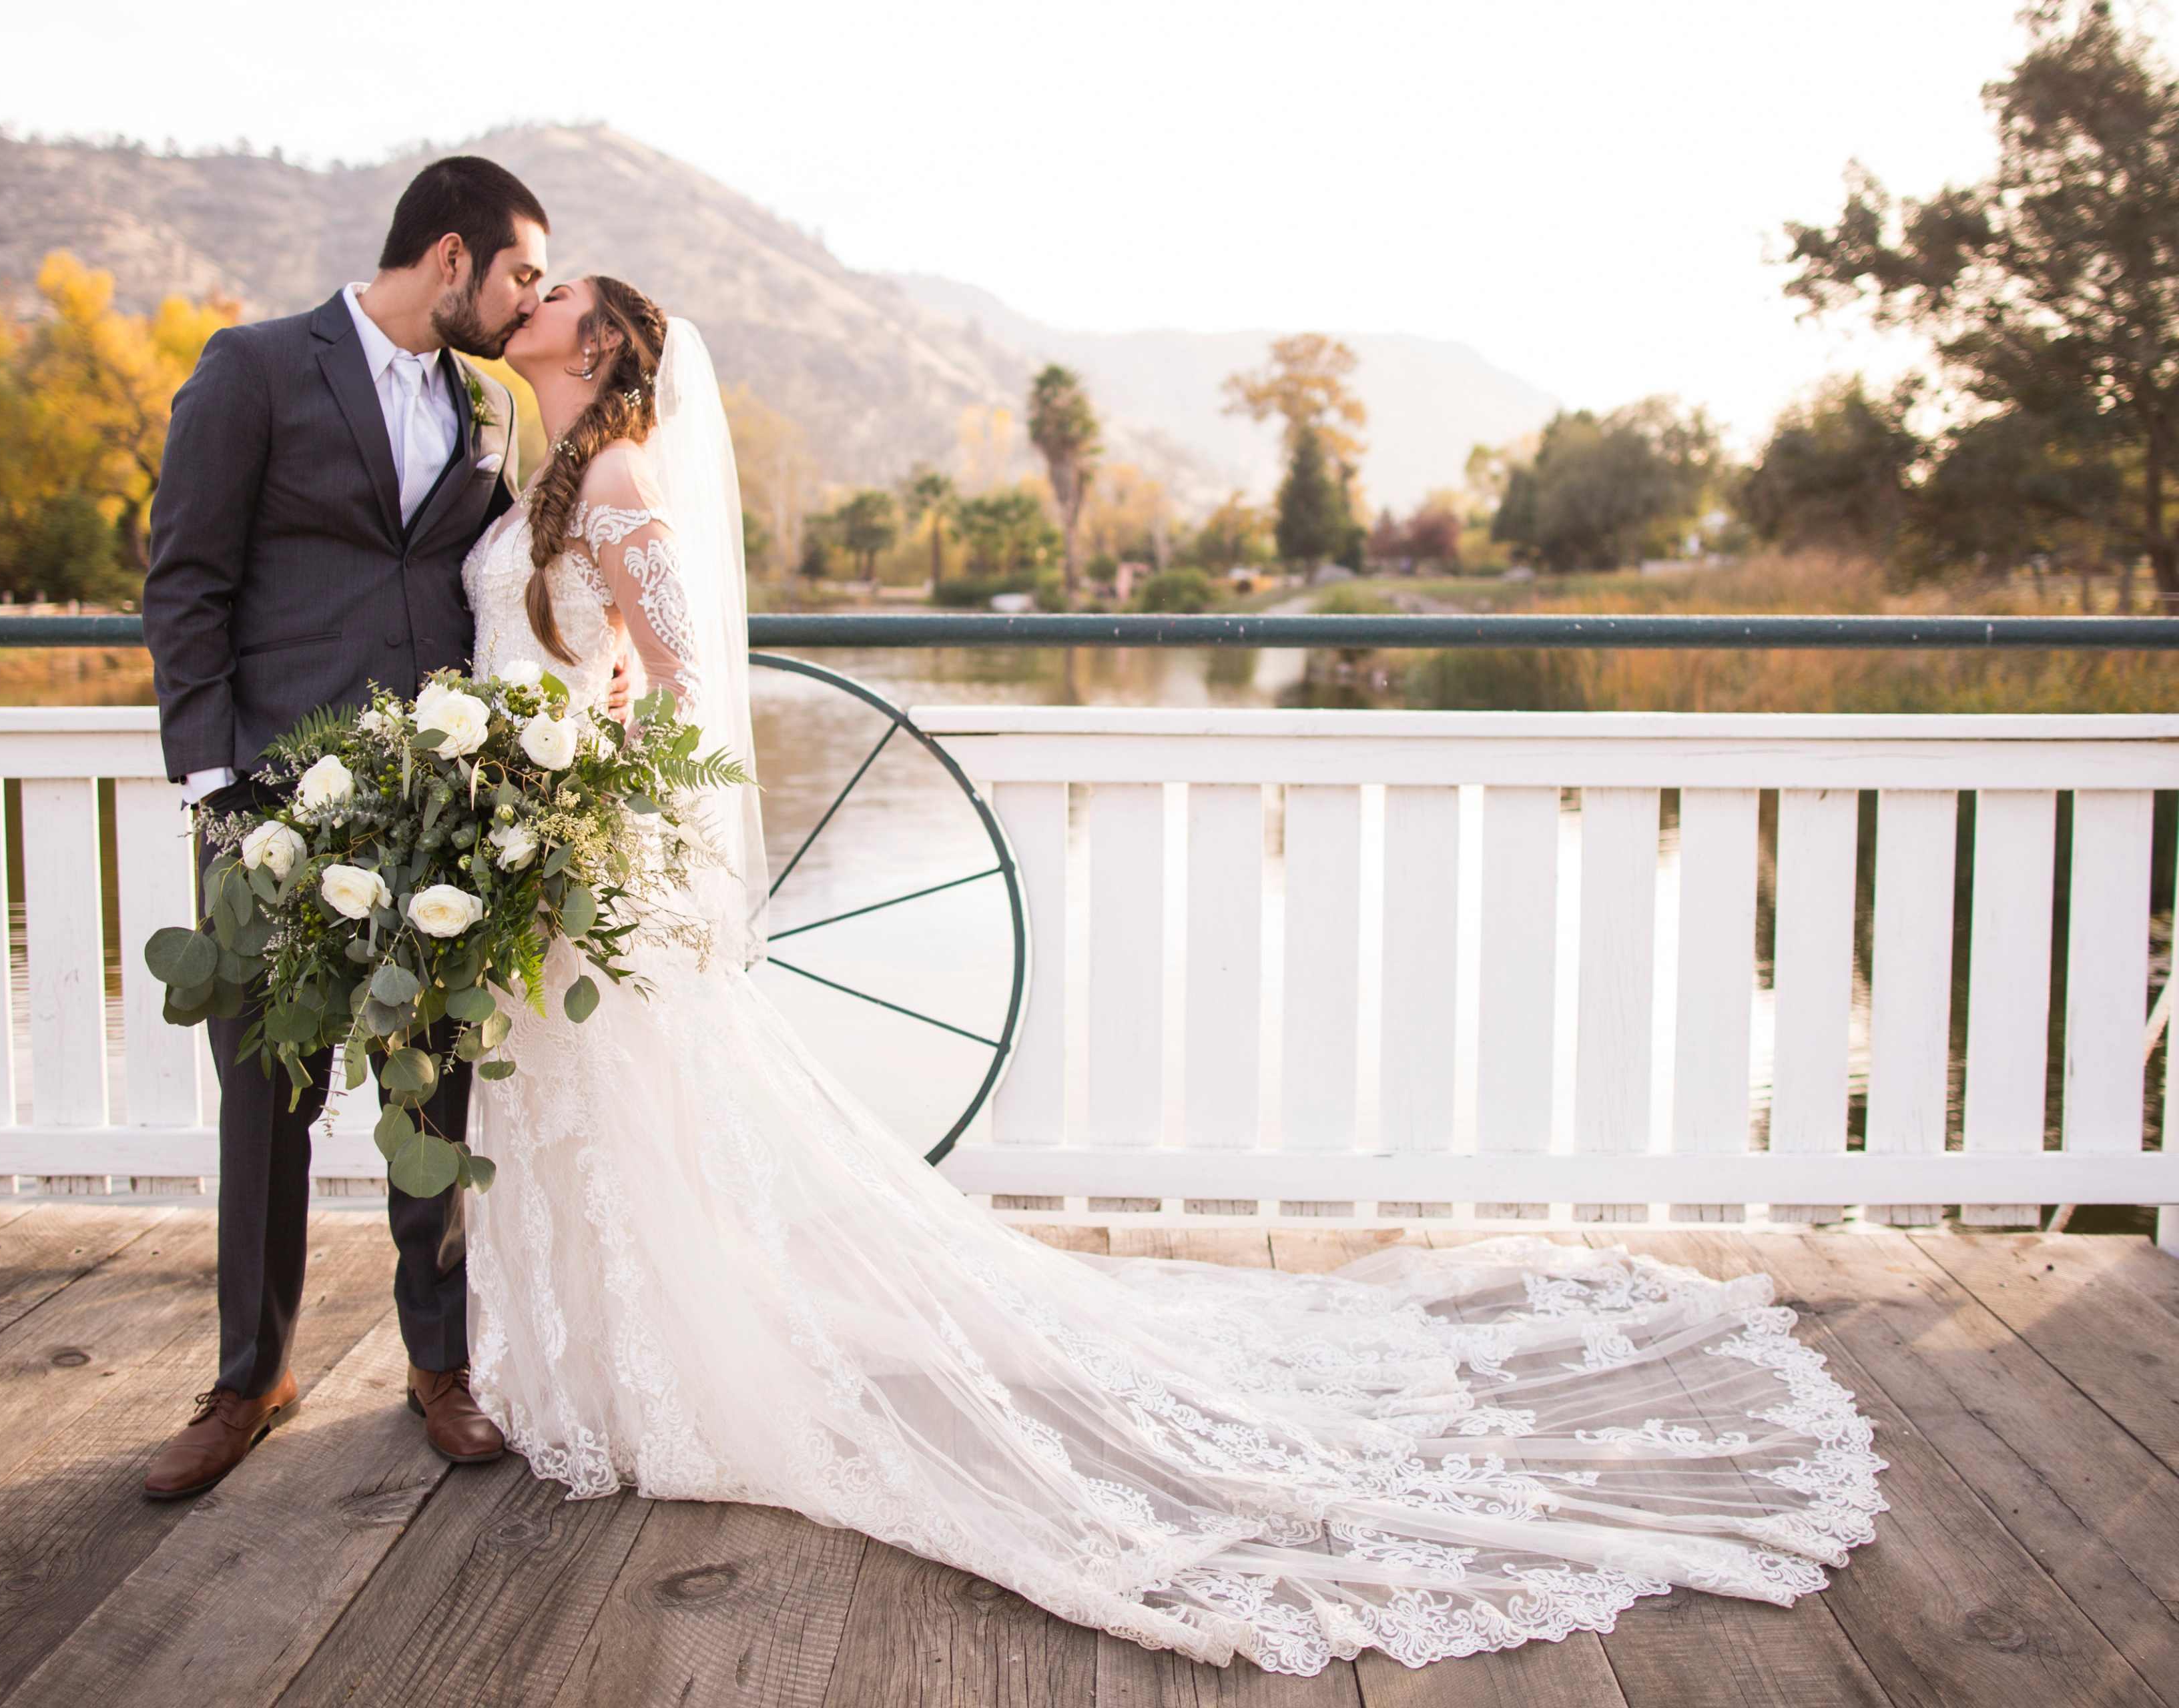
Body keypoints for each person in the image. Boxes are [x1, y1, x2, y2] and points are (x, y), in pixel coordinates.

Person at [447, 272, 1893, 1675]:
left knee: (642, 1104)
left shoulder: (624, 472)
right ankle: (594, 1366)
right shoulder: (549, 466)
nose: (535, 294)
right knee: (598, 1113)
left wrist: (596, 801)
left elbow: (685, 682)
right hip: (537, 851)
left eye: (556, 286)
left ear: (608, 342)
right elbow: (606, 658)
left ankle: (658, 1372)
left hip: (589, 862)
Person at [138, 156, 631, 1499]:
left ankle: (440, 1365)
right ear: (455, 256)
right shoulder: (253, 368)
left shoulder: (486, 404)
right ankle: (250, 1375)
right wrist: (213, 784)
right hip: (270, 808)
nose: (531, 297)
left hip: (438, 810)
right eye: (524, 272)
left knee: (438, 1081)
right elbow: (184, 579)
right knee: (264, 1099)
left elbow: (506, 586)